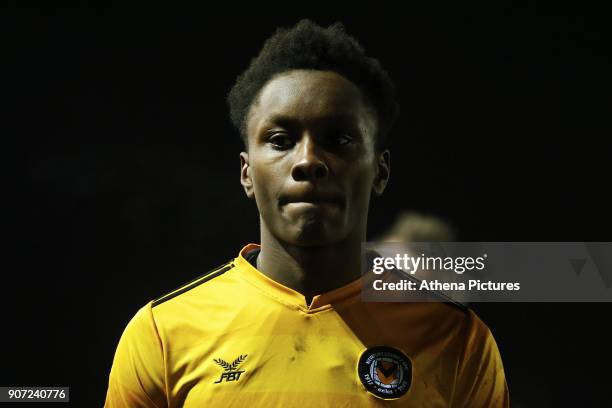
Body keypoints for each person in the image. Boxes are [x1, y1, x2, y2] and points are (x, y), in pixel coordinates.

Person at [104, 19, 509, 407]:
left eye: (339, 139)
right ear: (247, 173)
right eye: (280, 140)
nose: (308, 160)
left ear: (380, 170)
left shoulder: (458, 340)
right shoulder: (163, 333)